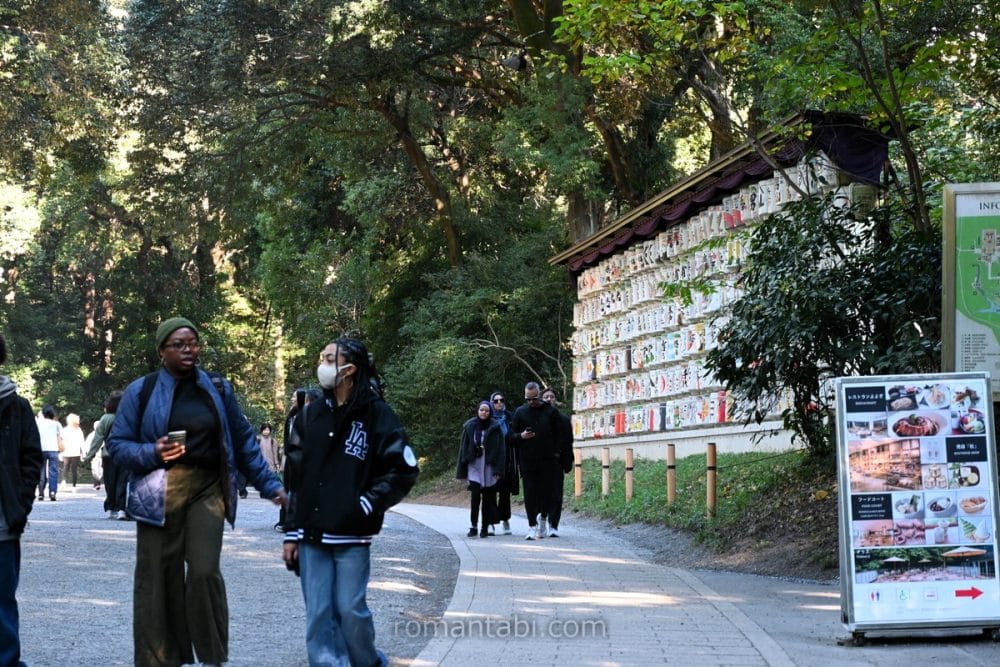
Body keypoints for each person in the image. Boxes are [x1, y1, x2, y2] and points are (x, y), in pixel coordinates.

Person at [107, 316, 287, 666]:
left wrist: (271, 485)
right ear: (162, 351)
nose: (189, 350)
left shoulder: (218, 388)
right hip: (158, 487)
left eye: (193, 343)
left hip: (207, 487)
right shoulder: (140, 391)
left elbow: (243, 440)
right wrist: (152, 452)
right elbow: (118, 445)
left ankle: (211, 655)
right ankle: (159, 659)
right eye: (179, 344)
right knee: (158, 577)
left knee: (204, 570)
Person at [282, 337, 419, 667]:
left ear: (350, 369)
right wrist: (290, 531)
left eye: (330, 359)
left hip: (351, 534)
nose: (323, 365)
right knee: (319, 614)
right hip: (311, 533)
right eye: (323, 357)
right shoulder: (309, 416)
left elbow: (403, 469)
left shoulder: (377, 416)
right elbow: (295, 477)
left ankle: (370, 662)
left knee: (350, 611)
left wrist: (367, 504)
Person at [0, 332, 43, 667]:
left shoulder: (16, 406)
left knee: (1, 601)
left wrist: (21, 503)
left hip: (2, 524)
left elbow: (31, 458)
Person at [510, 382, 564, 540]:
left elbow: (560, 435)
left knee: (547, 493)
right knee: (530, 493)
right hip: (527, 460)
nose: (531, 402)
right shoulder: (520, 412)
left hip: (548, 460)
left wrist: (557, 453)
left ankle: (544, 518)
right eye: (528, 399)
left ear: (539, 396)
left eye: (534, 399)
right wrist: (521, 436)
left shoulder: (551, 411)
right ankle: (531, 525)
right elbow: (511, 437)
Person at [455, 401, 505, 538]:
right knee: (475, 496)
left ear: (490, 413)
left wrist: (499, 470)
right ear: (478, 411)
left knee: (488, 499)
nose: (484, 412)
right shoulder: (470, 426)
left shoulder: (495, 427)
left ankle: (485, 526)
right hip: (474, 465)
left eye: (487, 411)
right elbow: (463, 448)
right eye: (482, 410)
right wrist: (462, 469)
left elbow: (501, 450)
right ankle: (473, 526)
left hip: (489, 465)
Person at [277, 387, 319, 533]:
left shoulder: (312, 417)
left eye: (295, 397)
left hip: (305, 460)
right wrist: (284, 458)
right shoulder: (292, 416)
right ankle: (284, 520)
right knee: (288, 488)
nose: (292, 399)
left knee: (300, 490)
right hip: (291, 459)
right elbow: (287, 439)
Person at [82, 391, 127, 519]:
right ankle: (122, 509)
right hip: (125, 454)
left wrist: (89, 455)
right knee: (122, 482)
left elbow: (98, 439)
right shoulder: (128, 418)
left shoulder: (105, 418)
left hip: (108, 455)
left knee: (110, 482)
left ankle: (112, 508)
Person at [540, 387, 574, 537]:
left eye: (551, 396)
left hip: (557, 461)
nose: (548, 399)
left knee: (556, 494)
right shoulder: (535, 418)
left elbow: (568, 442)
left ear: (556, 400)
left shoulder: (564, 420)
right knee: (541, 493)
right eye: (546, 397)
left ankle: (554, 525)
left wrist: (567, 461)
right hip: (539, 462)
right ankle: (541, 519)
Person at [488, 391, 519, 535]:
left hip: (507, 459)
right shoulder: (487, 417)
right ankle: (491, 522)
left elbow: (514, 435)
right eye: (496, 401)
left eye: (501, 400)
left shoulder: (510, 417)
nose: (499, 403)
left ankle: (506, 520)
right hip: (492, 460)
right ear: (492, 403)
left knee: (505, 493)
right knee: (491, 491)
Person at [36, 404, 62, 501]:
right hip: (53, 449)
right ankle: (52, 492)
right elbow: (60, 437)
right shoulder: (56, 424)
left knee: (41, 471)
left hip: (41, 449)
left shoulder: (38, 423)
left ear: (43, 413)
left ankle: (41, 492)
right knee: (53, 472)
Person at [60, 413, 86, 489]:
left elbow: (62, 441)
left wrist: (61, 451)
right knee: (74, 469)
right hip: (76, 452)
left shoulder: (65, 430)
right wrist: (83, 453)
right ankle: (74, 486)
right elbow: (82, 442)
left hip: (66, 451)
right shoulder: (79, 430)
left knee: (65, 467)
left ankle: (64, 481)